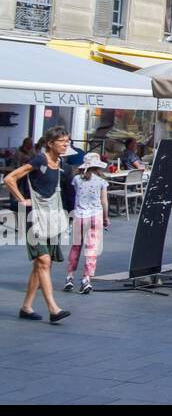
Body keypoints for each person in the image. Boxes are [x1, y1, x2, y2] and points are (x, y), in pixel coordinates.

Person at [3, 127, 75, 323]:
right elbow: (9, 178)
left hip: (51, 218)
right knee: (44, 261)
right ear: (50, 143)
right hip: (33, 219)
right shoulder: (40, 160)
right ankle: (53, 308)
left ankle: (26, 307)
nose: (66, 144)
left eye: (67, 140)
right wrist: (21, 199)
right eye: (62, 141)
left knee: (40, 265)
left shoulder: (62, 165)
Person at [65, 152, 110, 295]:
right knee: (91, 248)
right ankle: (86, 279)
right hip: (95, 215)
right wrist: (106, 217)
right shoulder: (101, 181)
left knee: (76, 247)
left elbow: (74, 196)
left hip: (79, 215)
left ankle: (70, 276)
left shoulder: (77, 179)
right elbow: (104, 201)